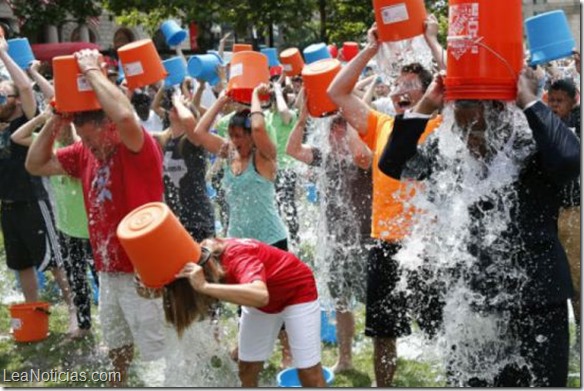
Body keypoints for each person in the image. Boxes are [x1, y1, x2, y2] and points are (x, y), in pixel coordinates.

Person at [377, 67, 580, 386]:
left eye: (477, 130)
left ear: (501, 114)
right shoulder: (449, 153)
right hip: (473, 304)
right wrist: (427, 106)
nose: (469, 138)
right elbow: (394, 164)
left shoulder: (531, 147)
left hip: (537, 303)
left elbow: (569, 160)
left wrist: (528, 99)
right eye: (463, 128)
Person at [25, 48, 166, 387]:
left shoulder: (137, 146)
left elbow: (128, 118)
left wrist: (92, 72)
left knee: (158, 351)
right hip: (108, 269)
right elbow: (34, 164)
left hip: (144, 269)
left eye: (92, 139)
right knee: (117, 344)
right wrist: (56, 119)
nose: (89, 147)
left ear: (109, 127)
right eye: (84, 140)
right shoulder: (84, 153)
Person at [327, 23, 441, 386]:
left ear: (427, 93)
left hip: (429, 247)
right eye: (398, 86)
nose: (401, 92)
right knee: (383, 333)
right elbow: (336, 91)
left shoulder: (440, 125)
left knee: (442, 328)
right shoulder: (381, 125)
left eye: (411, 86)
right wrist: (369, 50)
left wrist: (432, 41)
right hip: (386, 244)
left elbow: (458, 85)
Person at [286, 90, 373, 373]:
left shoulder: (363, 156)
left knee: (372, 303)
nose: (336, 136)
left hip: (365, 241)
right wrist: (301, 117)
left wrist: (349, 117)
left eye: (342, 130)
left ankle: (376, 357)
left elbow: (361, 151)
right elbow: (292, 150)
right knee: (341, 302)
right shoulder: (324, 157)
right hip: (336, 241)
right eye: (333, 131)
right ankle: (345, 358)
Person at [164, 237, 326, 387]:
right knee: (247, 368)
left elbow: (260, 295)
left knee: (309, 374)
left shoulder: (237, 257)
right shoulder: (198, 261)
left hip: (297, 292)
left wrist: (204, 287)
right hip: (263, 301)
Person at [11, 104, 97, 340]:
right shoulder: (51, 146)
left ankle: (115, 325)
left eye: (63, 125)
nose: (59, 130)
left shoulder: (80, 149)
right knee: (77, 279)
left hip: (90, 229)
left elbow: (78, 139)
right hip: (67, 228)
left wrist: (68, 118)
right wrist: (46, 118)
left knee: (100, 278)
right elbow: (18, 136)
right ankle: (83, 325)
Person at [0, 36, 73, 311]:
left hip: (33, 199)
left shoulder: (25, 118)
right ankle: (33, 311)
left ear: (17, 102)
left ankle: (75, 310)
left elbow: (23, 87)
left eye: (2, 95)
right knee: (21, 263)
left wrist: (4, 56)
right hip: (8, 204)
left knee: (53, 259)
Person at [153, 91, 215, 242]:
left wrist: (179, 102)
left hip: (198, 218)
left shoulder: (192, 140)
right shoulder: (165, 139)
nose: (175, 106)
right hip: (176, 220)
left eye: (184, 106)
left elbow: (188, 120)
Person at [547, 77, 581, 344]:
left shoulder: (578, 122)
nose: (555, 106)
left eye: (560, 102)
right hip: (550, 215)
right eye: (551, 101)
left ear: (574, 100)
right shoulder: (544, 122)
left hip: (573, 213)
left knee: (578, 280)